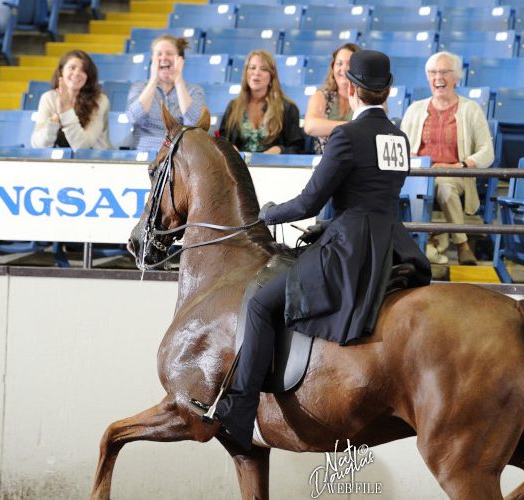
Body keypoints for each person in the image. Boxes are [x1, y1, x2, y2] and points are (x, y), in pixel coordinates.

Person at [198, 50, 432, 450]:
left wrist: (267, 215)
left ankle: (239, 409)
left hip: (349, 248)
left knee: (258, 302)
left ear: (351, 88)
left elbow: (308, 203)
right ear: (387, 90)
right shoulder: (398, 136)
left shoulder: (346, 136)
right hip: (393, 243)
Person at [401, 51, 494, 265]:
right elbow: (401, 146)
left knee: (443, 186)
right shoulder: (415, 109)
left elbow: (487, 152)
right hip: (419, 175)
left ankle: (461, 244)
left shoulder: (470, 109)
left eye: (444, 72)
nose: (438, 78)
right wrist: (411, 157)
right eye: (432, 72)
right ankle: (427, 243)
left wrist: (460, 165)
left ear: (457, 77)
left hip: (454, 174)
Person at [126, 35, 205, 151]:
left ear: (180, 59)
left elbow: (194, 123)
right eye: (159, 54)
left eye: (169, 53)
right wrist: (153, 80)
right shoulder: (140, 87)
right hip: (146, 154)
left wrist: (178, 81)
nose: (163, 58)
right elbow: (134, 117)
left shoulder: (194, 90)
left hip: (179, 156)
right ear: (152, 59)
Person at [218, 49, 303, 154]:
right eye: (252, 68)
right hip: (239, 167)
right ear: (246, 73)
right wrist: (229, 148)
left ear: (272, 76)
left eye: (263, 69)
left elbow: (297, 148)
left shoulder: (287, 108)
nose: (256, 73)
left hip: (274, 167)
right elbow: (221, 142)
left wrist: (280, 150)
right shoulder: (233, 106)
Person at [31, 49, 112, 151]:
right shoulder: (48, 98)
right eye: (72, 68)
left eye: (83, 70)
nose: (77, 73)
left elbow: (82, 147)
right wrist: (54, 121)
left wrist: (66, 111)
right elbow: (37, 145)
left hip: (93, 163)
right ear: (61, 71)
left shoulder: (100, 101)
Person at [303, 43, 360, 154]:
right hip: (324, 160)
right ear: (333, 68)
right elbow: (310, 126)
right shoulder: (321, 96)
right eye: (339, 63)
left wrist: (327, 127)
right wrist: (353, 128)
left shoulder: (367, 97)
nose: (343, 68)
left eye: (350, 64)